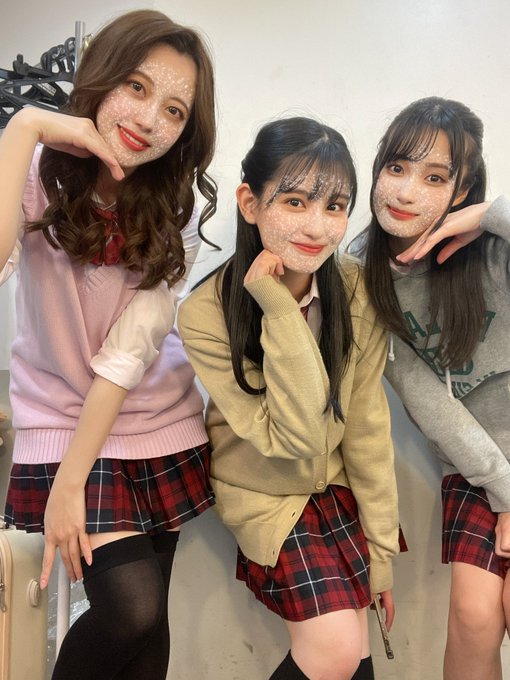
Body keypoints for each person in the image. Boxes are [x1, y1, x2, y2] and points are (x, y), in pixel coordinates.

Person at [0, 9, 217, 680]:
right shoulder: (35, 172)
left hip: (155, 417)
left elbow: (130, 351)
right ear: (102, 77)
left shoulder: (175, 206)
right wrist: (24, 126)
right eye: (136, 87)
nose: (150, 119)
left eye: (174, 110)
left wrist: (73, 483)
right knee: (131, 609)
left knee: (150, 631)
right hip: (63, 417)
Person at [178, 116, 400, 680]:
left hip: (336, 486)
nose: (318, 227)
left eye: (335, 206)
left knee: (357, 655)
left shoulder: (356, 290)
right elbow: (296, 437)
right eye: (295, 201)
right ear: (250, 203)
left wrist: (381, 554)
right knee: (337, 650)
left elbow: (367, 426)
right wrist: (277, 306)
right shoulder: (205, 314)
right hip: (265, 493)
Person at [349, 96, 510, 680]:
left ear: (461, 188)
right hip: (476, 468)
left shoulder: (494, 247)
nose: (406, 191)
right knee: (472, 615)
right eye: (397, 167)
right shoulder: (360, 273)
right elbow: (427, 402)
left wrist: (487, 214)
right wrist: (506, 495)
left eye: (435, 177)